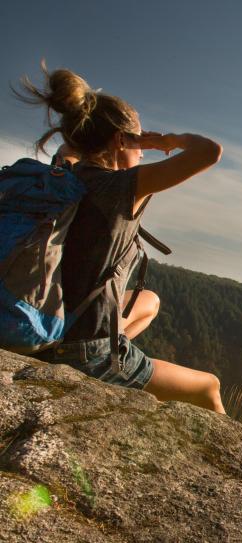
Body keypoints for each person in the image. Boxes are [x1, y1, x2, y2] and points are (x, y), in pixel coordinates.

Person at [15, 63, 225, 413]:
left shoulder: (61, 175)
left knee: (151, 301)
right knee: (209, 386)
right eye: (140, 141)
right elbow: (208, 152)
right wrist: (168, 141)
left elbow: (71, 146)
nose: (143, 151)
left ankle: (108, 350)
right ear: (121, 141)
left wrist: (126, 136)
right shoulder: (121, 188)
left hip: (41, 317)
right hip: (80, 351)